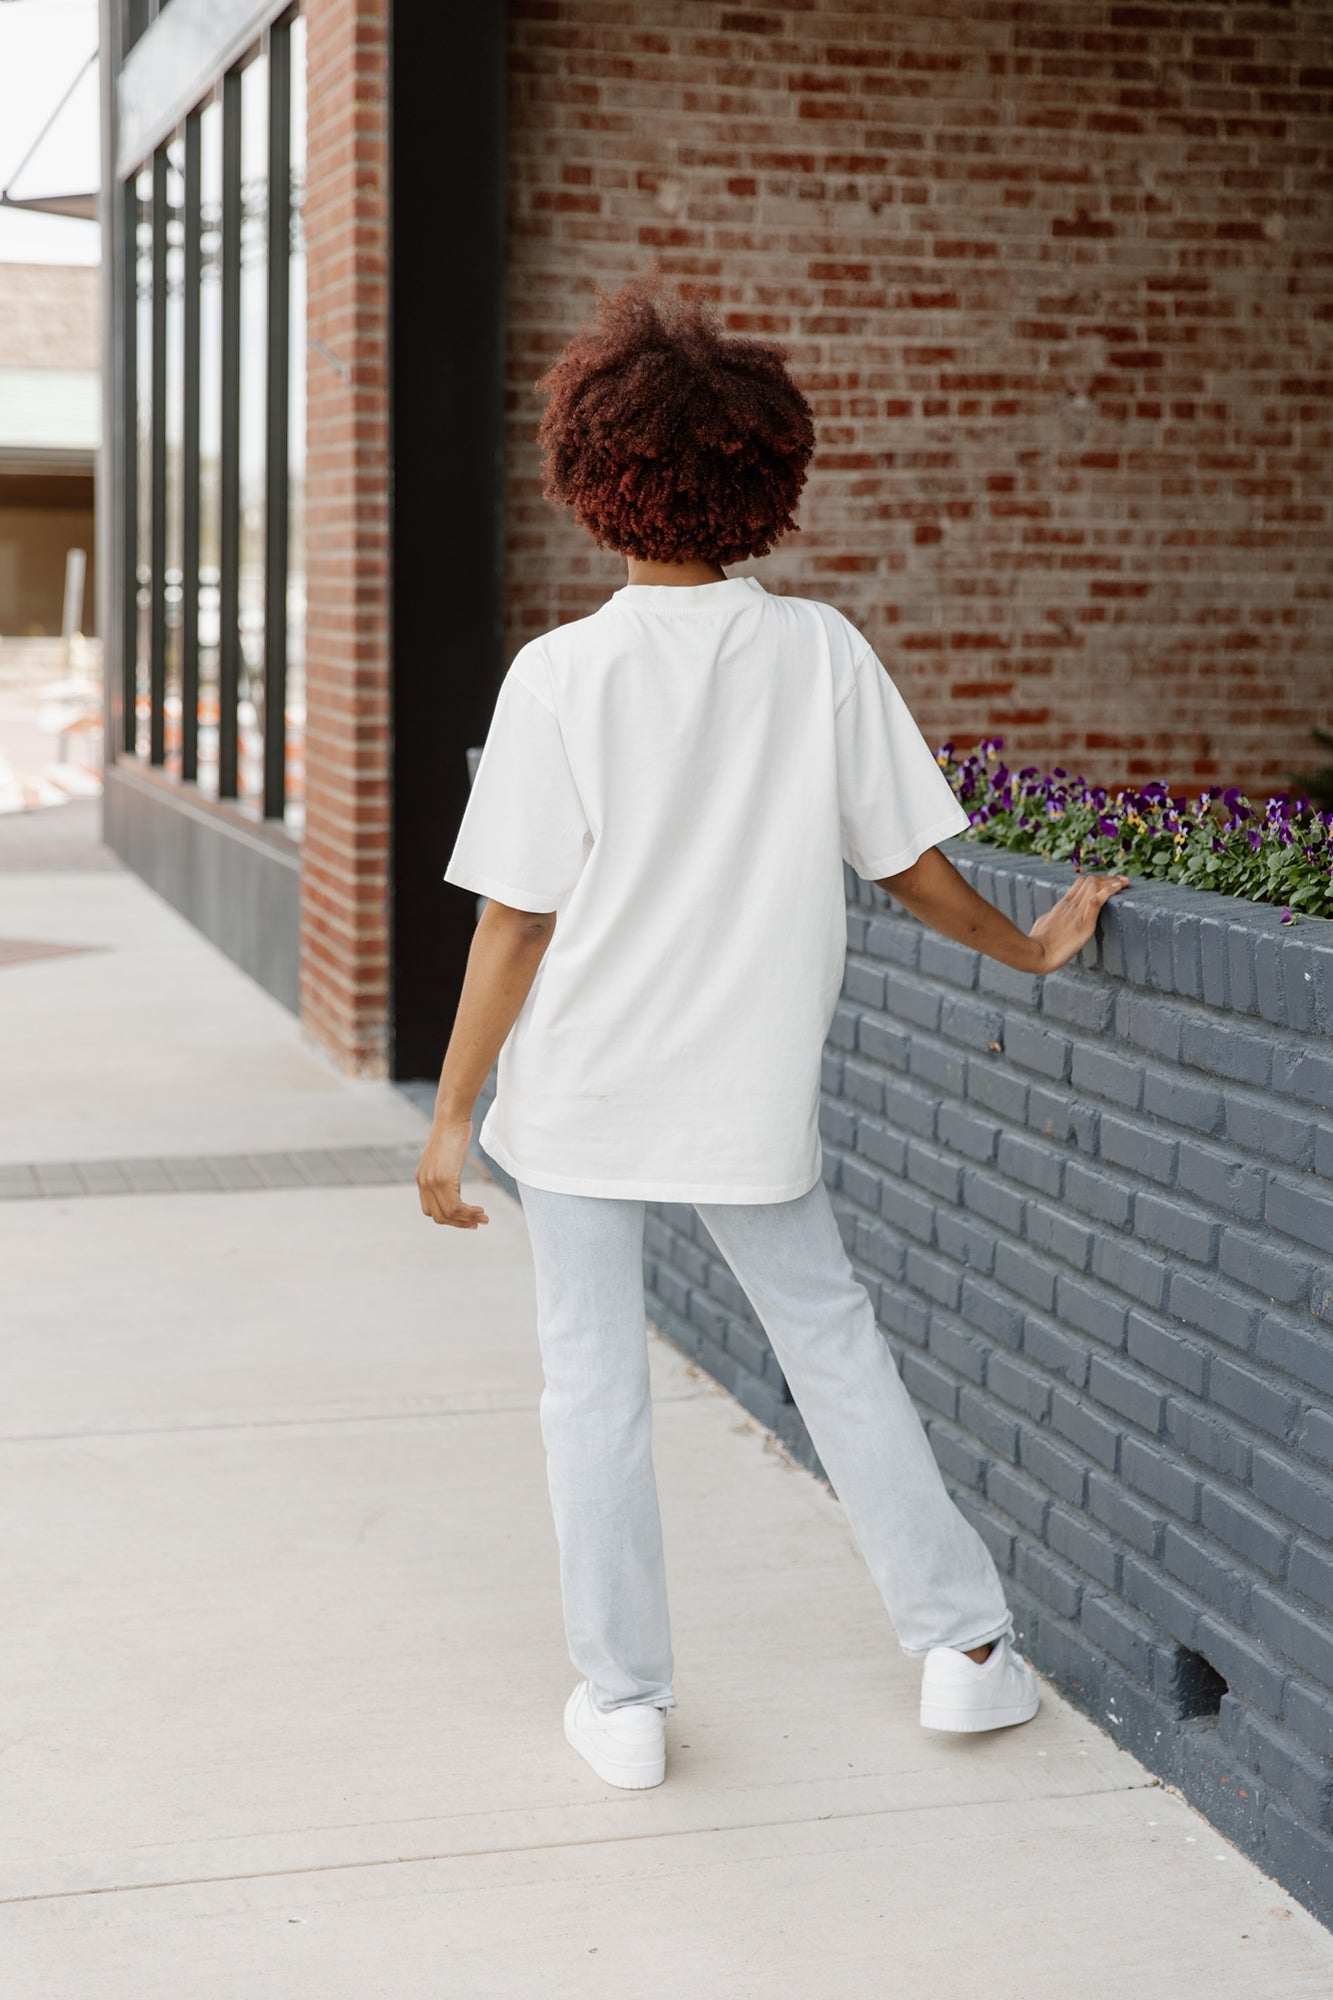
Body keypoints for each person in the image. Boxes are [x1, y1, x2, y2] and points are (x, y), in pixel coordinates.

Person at [416, 278, 1129, 1792]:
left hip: (579, 1099)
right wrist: (1030, 946)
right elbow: (910, 870)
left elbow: (514, 922)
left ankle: (620, 1705)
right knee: (837, 1353)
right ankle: (960, 1652)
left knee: (589, 1389)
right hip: (745, 1101)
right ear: (759, 480)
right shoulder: (819, 657)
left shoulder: (559, 676)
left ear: (594, 476)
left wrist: (447, 1114)